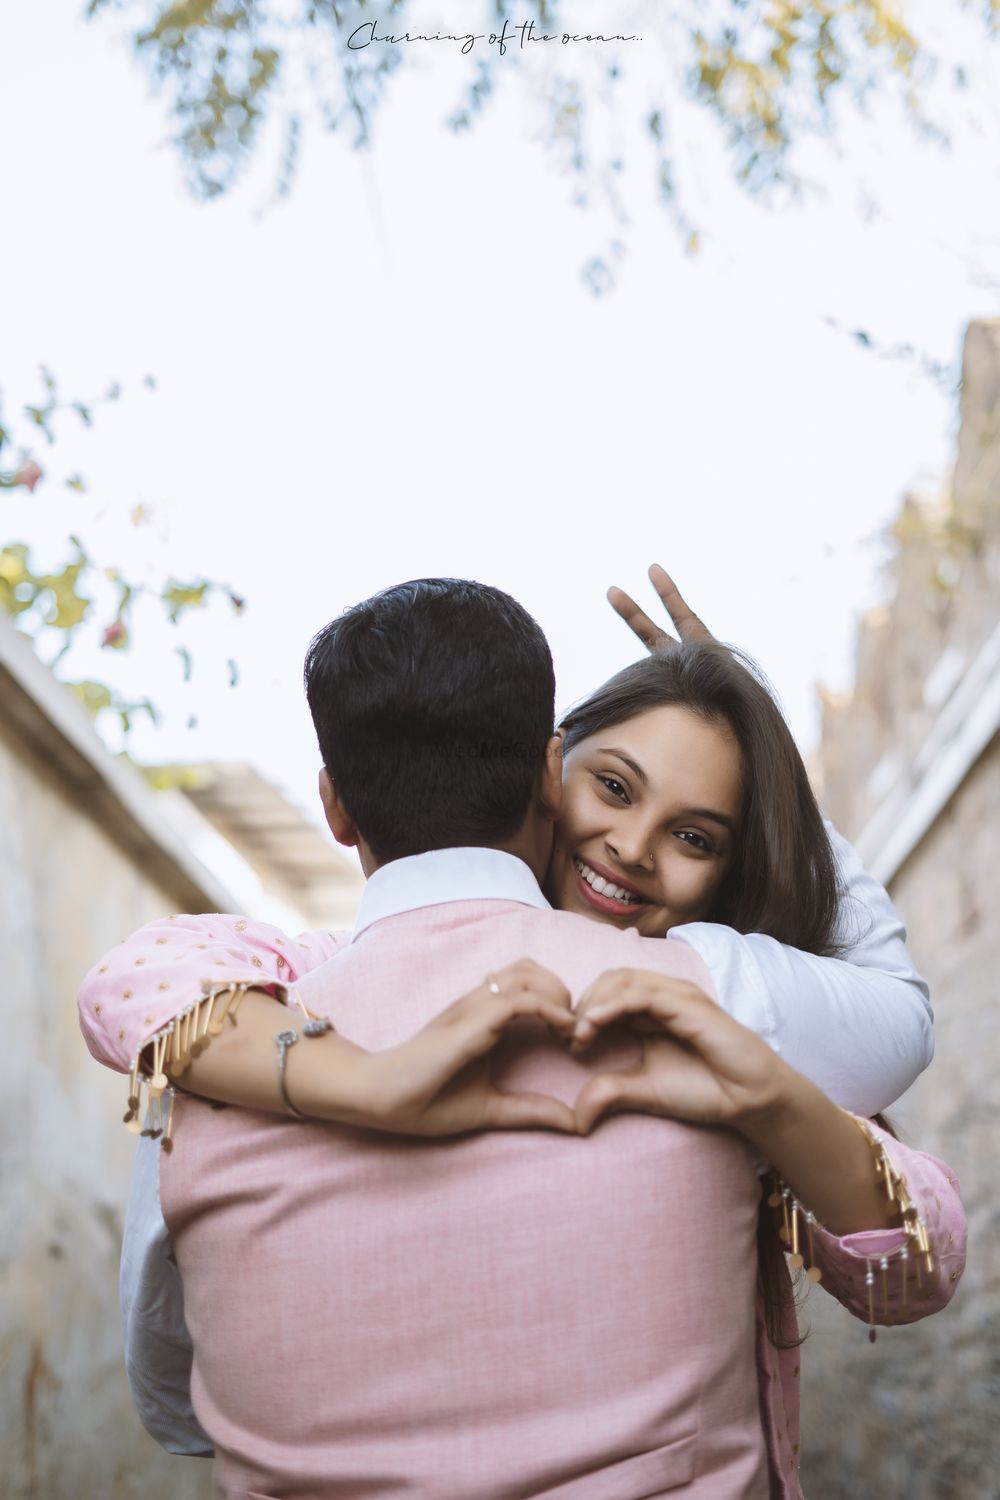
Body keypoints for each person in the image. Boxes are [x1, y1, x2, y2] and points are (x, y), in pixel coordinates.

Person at [77, 574, 963, 1497]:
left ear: (334, 808)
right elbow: (911, 1169)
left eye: (698, 836)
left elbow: (177, 1400)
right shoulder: (716, 1002)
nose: (627, 848)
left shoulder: (228, 1030)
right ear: (551, 771)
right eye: (612, 788)